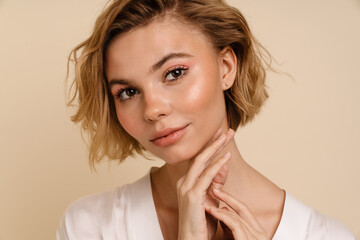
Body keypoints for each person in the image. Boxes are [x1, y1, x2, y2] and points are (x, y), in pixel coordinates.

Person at [57, 0, 355, 239]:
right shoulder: (89, 226)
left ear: (226, 67)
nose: (152, 109)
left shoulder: (323, 235)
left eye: (174, 73)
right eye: (128, 91)